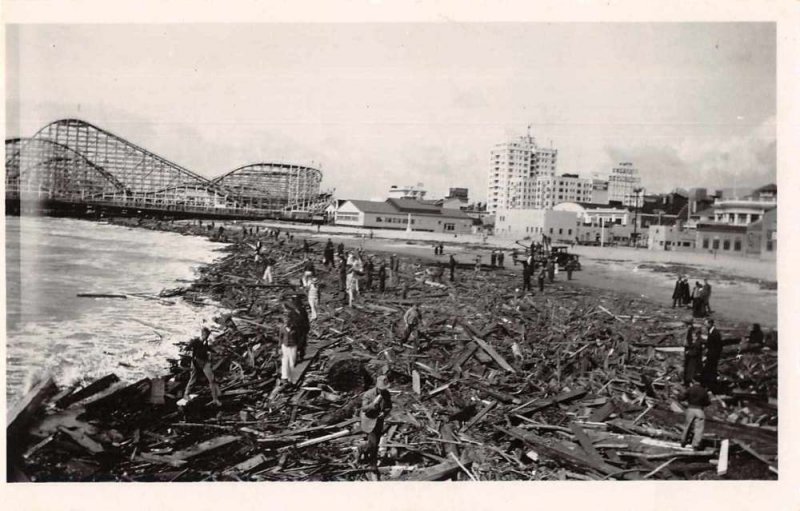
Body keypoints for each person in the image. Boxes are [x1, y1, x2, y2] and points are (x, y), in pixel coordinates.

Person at [359, 375, 392, 478]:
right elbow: (364, 409)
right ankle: (372, 464)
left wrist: (385, 413)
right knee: (373, 444)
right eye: (381, 389)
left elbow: (389, 406)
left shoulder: (386, 394)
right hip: (369, 421)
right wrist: (374, 404)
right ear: (377, 387)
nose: (383, 390)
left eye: (384, 388)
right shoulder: (368, 394)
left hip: (379, 421)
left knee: (376, 442)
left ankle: (365, 452)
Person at [183, 327, 222, 406]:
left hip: (204, 362)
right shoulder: (196, 341)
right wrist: (189, 348)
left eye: (207, 336)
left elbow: (207, 348)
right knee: (193, 379)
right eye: (206, 336)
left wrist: (214, 351)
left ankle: (215, 398)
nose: (207, 338)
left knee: (212, 379)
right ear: (203, 334)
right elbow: (187, 348)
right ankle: (186, 394)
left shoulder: (205, 341)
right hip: (196, 362)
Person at [679, 382, 710, 450]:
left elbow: (682, 397)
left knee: (687, 426)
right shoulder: (704, 391)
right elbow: (707, 403)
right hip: (699, 410)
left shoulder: (690, 389)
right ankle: (696, 444)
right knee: (699, 428)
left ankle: (683, 441)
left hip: (690, 408)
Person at [701, 319, 722, 387]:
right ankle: (709, 383)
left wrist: (712, 355)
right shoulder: (711, 332)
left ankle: (710, 384)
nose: (705, 326)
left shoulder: (715, 333)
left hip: (713, 356)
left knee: (711, 369)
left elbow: (718, 346)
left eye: (706, 324)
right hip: (711, 355)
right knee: (709, 369)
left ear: (710, 324)